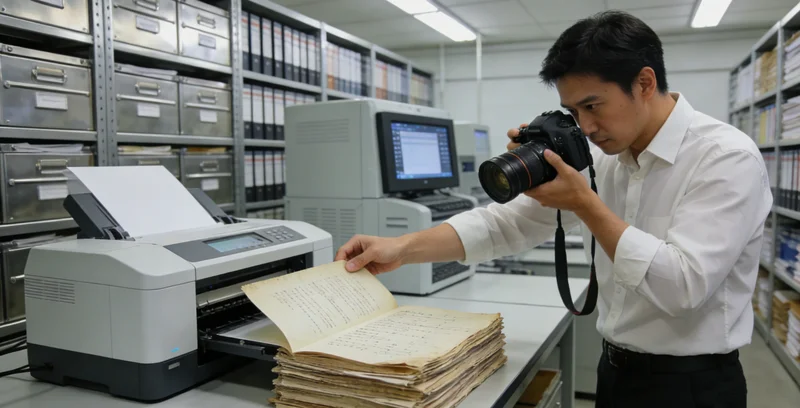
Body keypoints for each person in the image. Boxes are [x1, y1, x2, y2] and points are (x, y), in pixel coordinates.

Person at [335, 10, 771, 408]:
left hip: (693, 387)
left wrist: (585, 202)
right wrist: (401, 247)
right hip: (616, 372)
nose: (585, 126)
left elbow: (684, 286)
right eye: (572, 110)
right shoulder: (602, 154)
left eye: (593, 106)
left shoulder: (725, 158)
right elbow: (505, 224)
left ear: (644, 83)